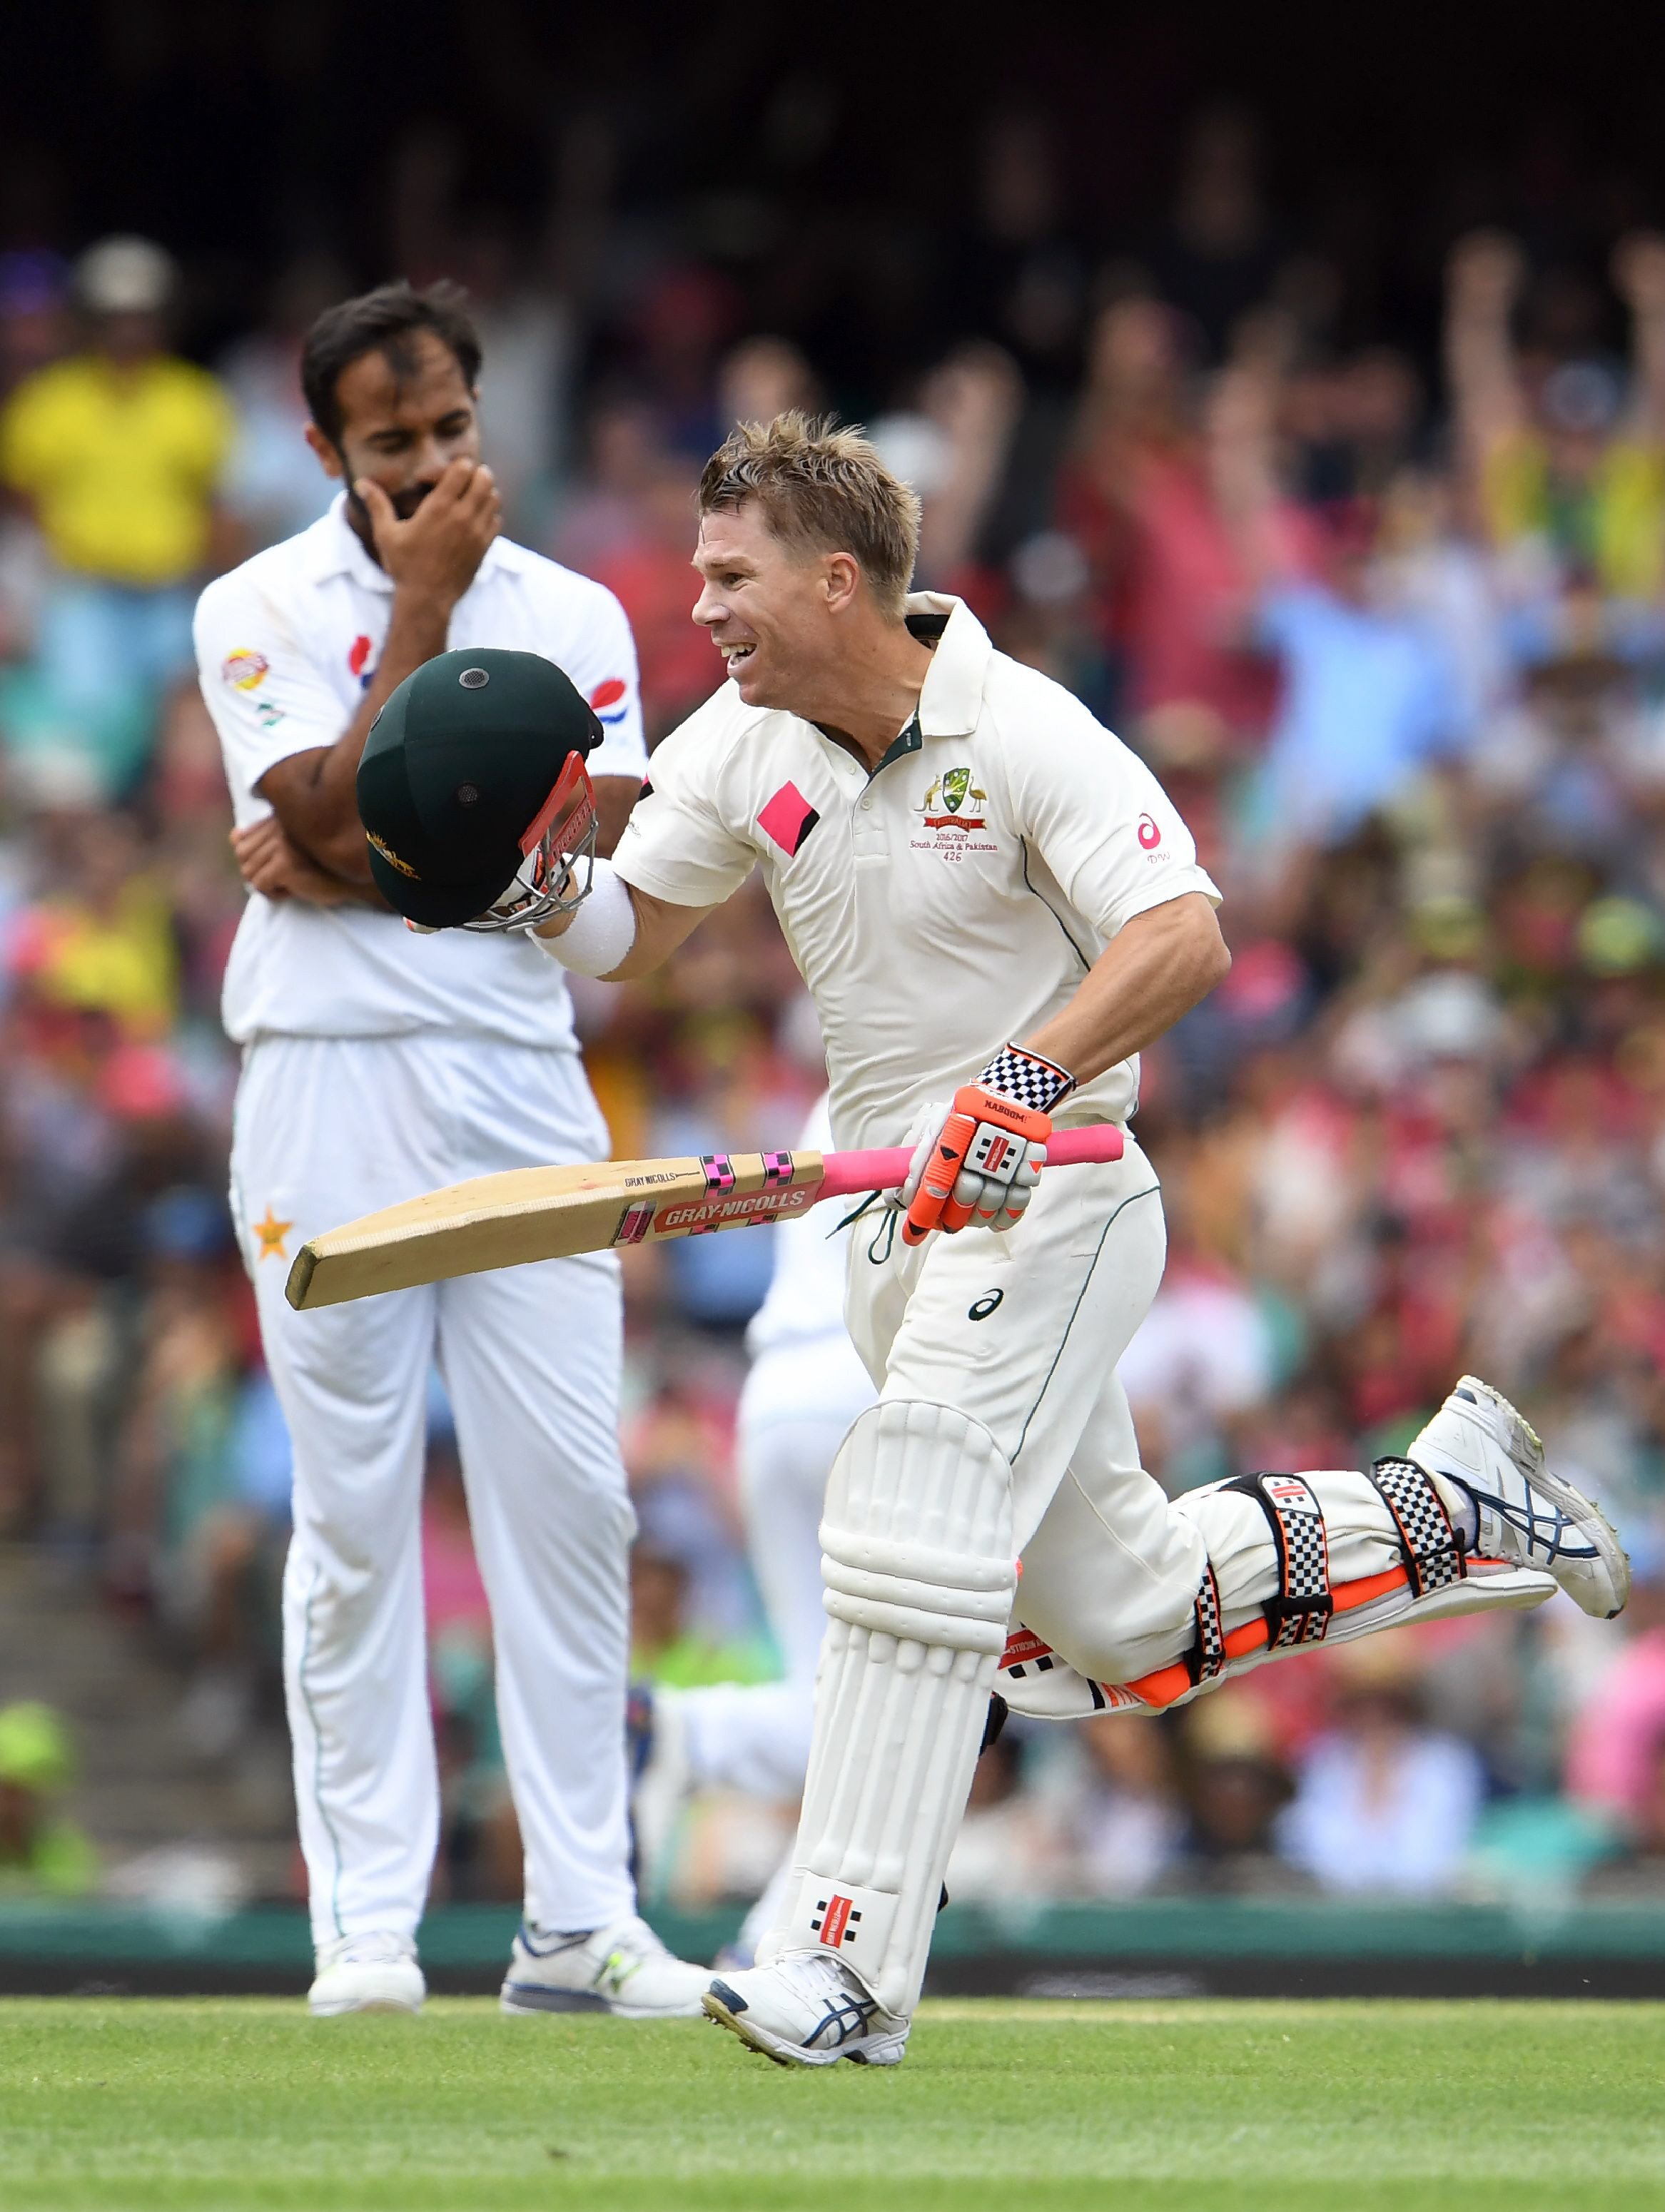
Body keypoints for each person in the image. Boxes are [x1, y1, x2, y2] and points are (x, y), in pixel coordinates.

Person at [358, 412, 1630, 2068]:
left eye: (730, 575)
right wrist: (527, 885)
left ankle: (843, 1960)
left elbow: (1184, 931)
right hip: (893, 1225)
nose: (703, 604)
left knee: (908, 1502)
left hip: (1066, 1187)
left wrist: (1021, 1080)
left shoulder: (1026, 733)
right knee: (1125, 1613)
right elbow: (638, 930)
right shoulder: (745, 740)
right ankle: (1453, 1499)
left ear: (836, 578)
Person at [192, 280, 707, 2021]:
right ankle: (366, 1927)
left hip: (514, 1076)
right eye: (391, 442)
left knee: (571, 1501)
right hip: (325, 1074)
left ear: (486, 422)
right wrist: (415, 628)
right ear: (328, 445)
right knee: (348, 1516)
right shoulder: (253, 600)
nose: (429, 469)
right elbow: (329, 825)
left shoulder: (579, 612)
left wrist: (358, 839)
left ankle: (580, 1918)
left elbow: (589, 887)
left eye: (452, 433)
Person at [630, 1090, 877, 1953]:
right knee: (919, 1707)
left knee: (842, 1699)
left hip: (775, 1399)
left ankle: (675, 1734)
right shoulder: (982, 1059)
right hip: (875, 1394)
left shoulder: (840, 1085)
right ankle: (786, 1941)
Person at [0, 238, 235, 793]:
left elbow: (218, 509)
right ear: (90, 321)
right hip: (83, 594)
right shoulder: (51, 401)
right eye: (114, 317)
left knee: (187, 741)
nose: (128, 330)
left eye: (141, 317)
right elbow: (21, 502)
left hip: (171, 592)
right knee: (86, 743)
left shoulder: (195, 399)